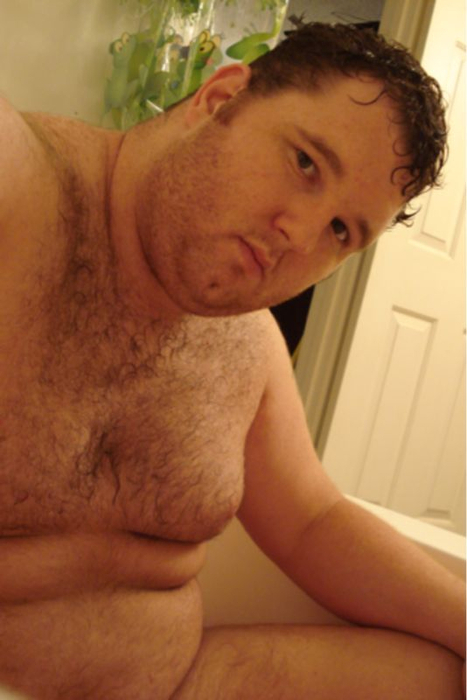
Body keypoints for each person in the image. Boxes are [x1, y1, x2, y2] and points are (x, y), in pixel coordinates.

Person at [0, 20, 464, 700]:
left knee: (441, 679)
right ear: (218, 99)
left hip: (178, 682)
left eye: (341, 230)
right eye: (305, 162)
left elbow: (311, 523)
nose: (299, 235)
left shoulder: (249, 346)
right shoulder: (20, 187)